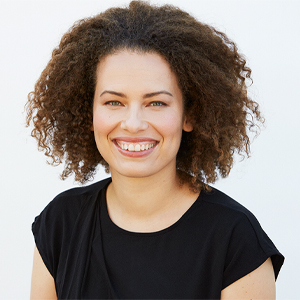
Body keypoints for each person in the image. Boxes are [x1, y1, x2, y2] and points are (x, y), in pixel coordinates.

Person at [26, 1, 284, 299]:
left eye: (156, 103)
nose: (133, 124)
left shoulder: (236, 240)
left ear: (190, 114)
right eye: (114, 102)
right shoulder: (59, 224)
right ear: (88, 112)